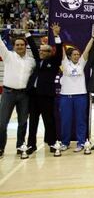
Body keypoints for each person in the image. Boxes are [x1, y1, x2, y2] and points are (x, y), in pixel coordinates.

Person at [0, 21, 36, 158]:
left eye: (22, 44)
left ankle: (20, 146)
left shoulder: (31, 61)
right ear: (13, 46)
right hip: (8, 94)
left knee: (22, 123)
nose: (20, 46)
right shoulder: (8, 56)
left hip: (24, 95)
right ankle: (0, 148)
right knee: (2, 123)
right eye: (17, 45)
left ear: (25, 46)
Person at [26, 21, 62, 154]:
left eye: (43, 51)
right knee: (33, 121)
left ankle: (52, 143)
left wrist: (56, 35)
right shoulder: (38, 60)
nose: (40, 52)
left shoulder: (54, 62)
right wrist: (27, 32)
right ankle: (31, 145)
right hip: (33, 95)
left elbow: (58, 52)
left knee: (49, 120)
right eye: (40, 50)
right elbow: (33, 47)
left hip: (46, 95)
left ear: (49, 52)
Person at [59, 29, 94, 151]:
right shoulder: (65, 63)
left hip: (80, 96)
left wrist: (92, 38)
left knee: (80, 121)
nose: (77, 56)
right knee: (65, 121)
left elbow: (87, 50)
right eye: (74, 54)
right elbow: (60, 48)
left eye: (78, 54)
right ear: (69, 56)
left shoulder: (81, 63)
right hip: (65, 96)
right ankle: (65, 142)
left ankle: (81, 142)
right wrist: (57, 35)